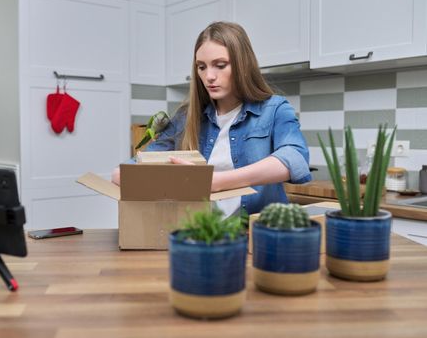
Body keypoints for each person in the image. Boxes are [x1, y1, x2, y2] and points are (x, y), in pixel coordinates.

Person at [112, 21, 311, 216]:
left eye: (220, 65)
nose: (209, 76)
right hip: (201, 233)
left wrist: (214, 181)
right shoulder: (186, 117)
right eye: (202, 67)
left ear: (243, 65)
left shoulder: (274, 109)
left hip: (252, 235)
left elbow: (295, 159)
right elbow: (123, 173)